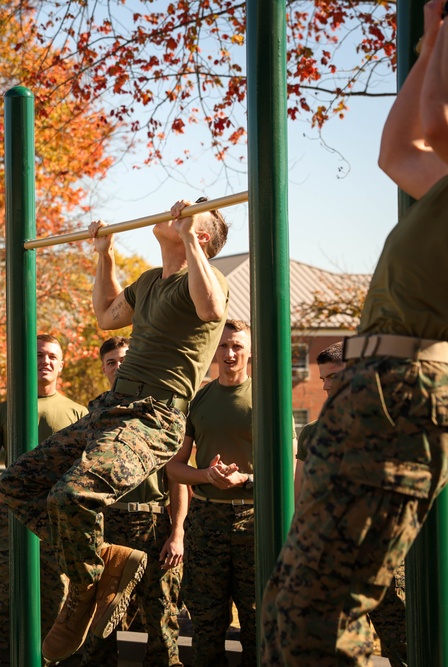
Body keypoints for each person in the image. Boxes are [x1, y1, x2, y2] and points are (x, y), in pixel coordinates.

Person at [261, 4, 448, 664]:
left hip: (405, 393)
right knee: (290, 608)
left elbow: (434, 123)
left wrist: (443, 32)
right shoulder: (442, 188)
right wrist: (428, 49)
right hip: (371, 390)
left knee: (325, 621)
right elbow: (397, 150)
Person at [0, 198, 229, 662]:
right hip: (111, 408)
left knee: (71, 495)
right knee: (17, 485)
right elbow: (106, 315)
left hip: (153, 415)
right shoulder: (147, 284)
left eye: (189, 219)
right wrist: (104, 254)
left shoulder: (207, 280)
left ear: (199, 237)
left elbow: (211, 309)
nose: (173, 213)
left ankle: (83, 590)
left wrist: (188, 236)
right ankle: (104, 560)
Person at [0, 334, 88, 667]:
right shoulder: (5, 410)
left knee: (53, 613)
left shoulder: (78, 413)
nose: (44, 361)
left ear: (61, 364)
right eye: (38, 355)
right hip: (9, 523)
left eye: (51, 356)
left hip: (55, 527)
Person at [283, 341, 410, 666]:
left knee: (401, 644)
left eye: (333, 377)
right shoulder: (313, 435)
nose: (325, 385)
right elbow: (301, 492)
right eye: (323, 378)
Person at [82, 336, 186, 667]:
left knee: (161, 619)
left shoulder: (159, 410)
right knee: (101, 618)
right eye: (111, 362)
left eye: (125, 360)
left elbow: (177, 478)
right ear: (103, 369)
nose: (119, 366)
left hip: (153, 525)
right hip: (107, 524)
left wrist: (177, 533)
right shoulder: (96, 412)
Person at [165, 319, 255, 666]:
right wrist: (206, 475)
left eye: (237, 346)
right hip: (206, 523)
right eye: (224, 346)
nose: (230, 353)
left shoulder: (265, 398)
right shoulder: (197, 399)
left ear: (249, 351)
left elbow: (287, 467)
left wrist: (244, 480)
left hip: (253, 522)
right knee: (205, 625)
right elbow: (174, 467)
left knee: (257, 623)